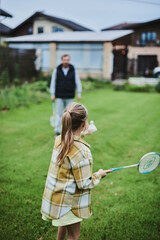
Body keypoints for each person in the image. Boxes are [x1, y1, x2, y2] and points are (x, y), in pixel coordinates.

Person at [41, 102, 113, 240]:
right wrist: (99, 175)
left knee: (64, 223)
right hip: (69, 202)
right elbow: (84, 183)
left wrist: (82, 134)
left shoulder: (59, 140)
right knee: (74, 235)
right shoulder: (83, 151)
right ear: (84, 123)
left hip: (57, 198)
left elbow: (72, 143)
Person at [50, 54, 82, 136]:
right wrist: (52, 94)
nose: (66, 61)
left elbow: (77, 82)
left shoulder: (73, 70)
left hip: (70, 96)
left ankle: (69, 132)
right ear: (62, 60)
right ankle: (57, 132)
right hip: (59, 96)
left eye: (67, 60)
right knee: (59, 114)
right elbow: (53, 82)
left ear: (69, 60)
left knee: (69, 115)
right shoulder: (56, 70)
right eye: (64, 60)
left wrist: (79, 92)